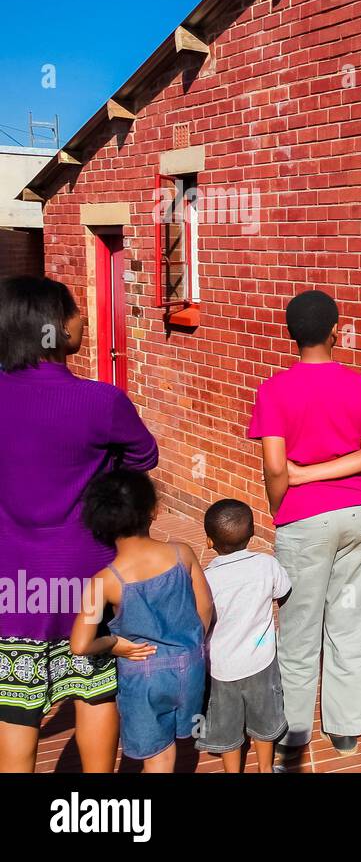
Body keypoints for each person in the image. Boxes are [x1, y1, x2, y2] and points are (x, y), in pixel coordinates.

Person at [0, 276, 158, 773]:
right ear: (54, 329)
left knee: (16, 704)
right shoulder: (99, 401)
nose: (84, 317)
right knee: (92, 687)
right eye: (75, 311)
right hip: (85, 570)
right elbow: (144, 455)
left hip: (12, 574)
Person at [248, 290, 361, 757]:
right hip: (359, 517)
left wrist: (287, 495)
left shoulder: (273, 390)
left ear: (292, 335)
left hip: (303, 520)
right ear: (336, 331)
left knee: (299, 626)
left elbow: (274, 468)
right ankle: (346, 728)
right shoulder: (358, 384)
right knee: (352, 622)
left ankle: (294, 731)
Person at [70, 471, 212, 773]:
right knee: (176, 742)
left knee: (157, 756)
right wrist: (192, 641)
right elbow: (205, 605)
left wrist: (114, 644)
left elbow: (80, 644)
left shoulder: (103, 582)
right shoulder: (181, 553)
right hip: (190, 665)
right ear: (154, 510)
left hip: (143, 675)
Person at [195, 499, 291, 773]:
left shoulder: (207, 578)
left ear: (209, 542)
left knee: (225, 726)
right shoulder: (265, 564)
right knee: (264, 721)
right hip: (261, 659)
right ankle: (264, 768)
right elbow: (284, 591)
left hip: (221, 667)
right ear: (253, 533)